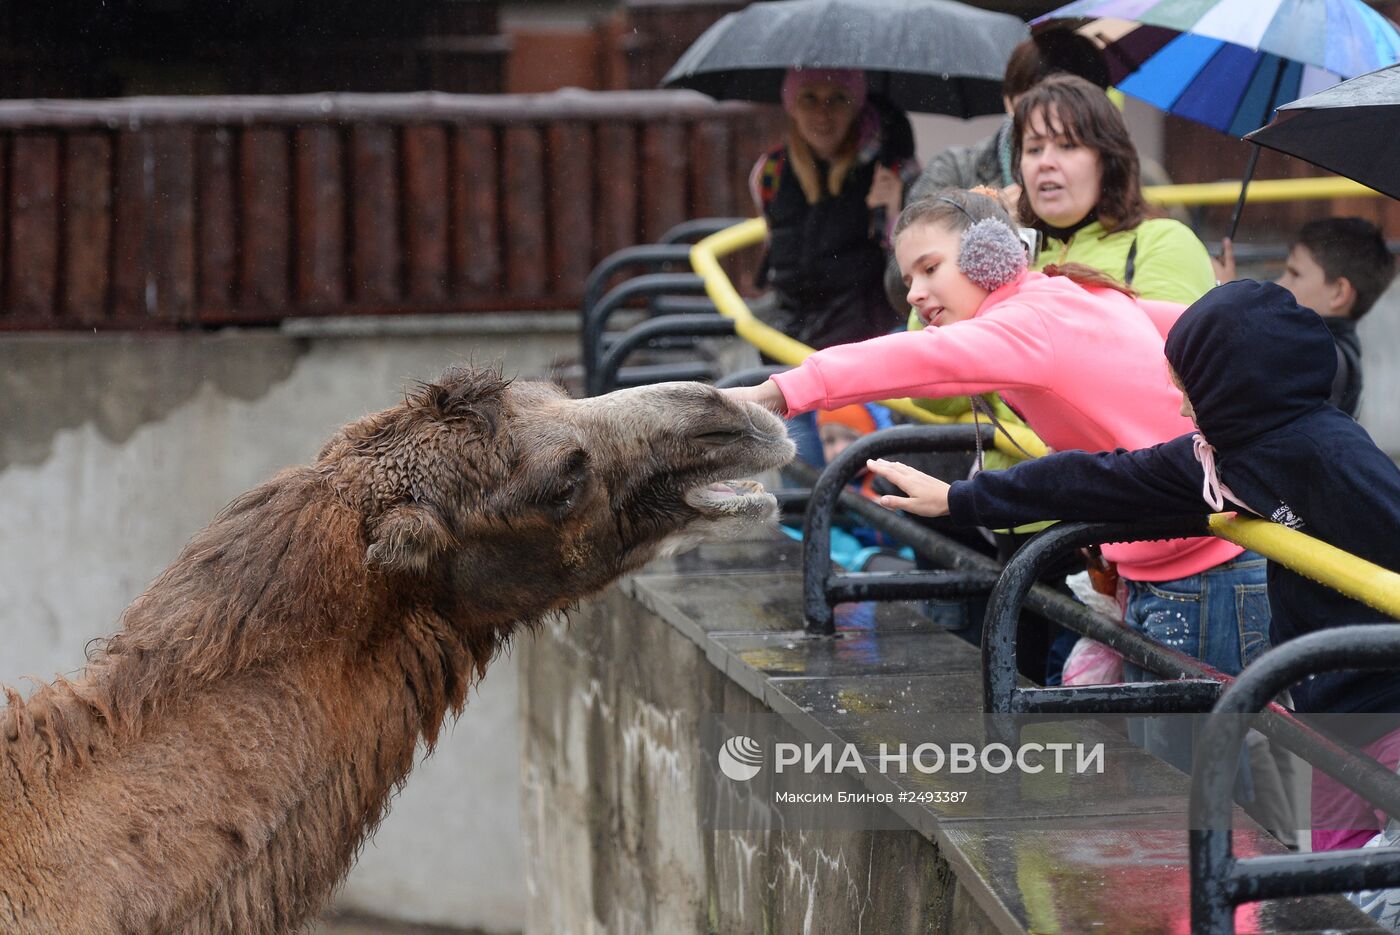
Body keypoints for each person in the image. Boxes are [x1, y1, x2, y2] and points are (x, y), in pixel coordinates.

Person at [862, 279, 1400, 924]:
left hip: (1389, 703)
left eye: (1186, 386)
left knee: (1378, 893)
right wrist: (962, 500)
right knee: (1341, 892)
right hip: (1331, 709)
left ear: (1235, 384)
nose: (1177, 406)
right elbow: (1107, 478)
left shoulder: (1334, 457)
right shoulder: (1223, 456)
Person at [724, 189, 1268, 687]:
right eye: (907, 277)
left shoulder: (1027, 319)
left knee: (1192, 777)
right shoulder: (1062, 293)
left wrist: (775, 393)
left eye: (930, 268)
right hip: (1188, 557)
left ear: (990, 256)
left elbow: (911, 358)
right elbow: (1187, 323)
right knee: (1211, 769)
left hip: (1201, 572)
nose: (914, 293)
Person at [751, 67, 919, 465]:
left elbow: (908, 274)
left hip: (864, 351)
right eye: (810, 98)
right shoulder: (769, 172)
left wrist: (894, 211)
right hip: (792, 345)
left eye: (837, 99)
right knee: (802, 483)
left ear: (857, 106)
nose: (822, 114)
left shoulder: (894, 170)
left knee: (866, 484)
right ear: (791, 105)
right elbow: (779, 252)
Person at [1015, 74, 1215, 306]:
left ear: (1108, 159)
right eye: (1034, 149)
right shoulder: (1010, 257)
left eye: (1067, 145)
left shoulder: (1163, 242)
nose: (1045, 162)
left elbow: (1168, 340)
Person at [1215, 217, 1395, 417]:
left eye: (1295, 274)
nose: (1279, 283)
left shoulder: (1328, 359)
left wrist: (1227, 298)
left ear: (1338, 292)